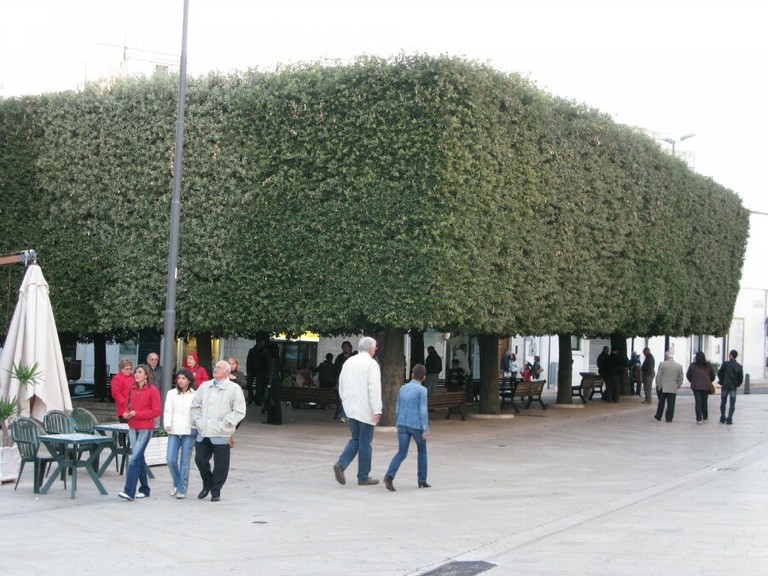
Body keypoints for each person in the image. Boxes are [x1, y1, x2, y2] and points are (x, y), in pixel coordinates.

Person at [191, 360, 246, 502]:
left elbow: (240, 411)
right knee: (200, 459)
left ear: (227, 372)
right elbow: (194, 406)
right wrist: (198, 421)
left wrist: (226, 422)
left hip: (221, 432)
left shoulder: (234, 389)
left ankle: (216, 490)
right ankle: (208, 482)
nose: (215, 369)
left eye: (219, 368)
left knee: (221, 465)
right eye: (215, 367)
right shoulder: (205, 386)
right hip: (204, 431)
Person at [333, 336, 382, 486]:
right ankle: (363, 476)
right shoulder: (371, 364)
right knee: (365, 442)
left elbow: (341, 384)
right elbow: (374, 388)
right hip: (365, 409)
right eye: (374, 347)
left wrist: (345, 401)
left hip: (351, 408)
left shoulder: (349, 362)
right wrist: (377, 409)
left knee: (356, 439)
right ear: (370, 348)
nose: (375, 350)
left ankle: (341, 464)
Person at [118, 364, 161, 501]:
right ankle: (145, 489)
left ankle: (129, 491)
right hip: (132, 427)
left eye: (140, 372)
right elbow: (128, 405)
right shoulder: (132, 389)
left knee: (134, 458)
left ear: (146, 375)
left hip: (145, 428)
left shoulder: (153, 390)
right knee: (139, 457)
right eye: (136, 372)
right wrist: (126, 413)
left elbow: (156, 411)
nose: (136, 374)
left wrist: (137, 413)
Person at [384, 364, 430, 491]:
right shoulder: (422, 390)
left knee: (401, 452)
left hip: (403, 424)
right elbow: (423, 410)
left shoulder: (403, 388)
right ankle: (422, 480)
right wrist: (425, 429)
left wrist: (398, 422)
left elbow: (398, 407)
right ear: (424, 377)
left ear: (412, 375)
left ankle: (389, 476)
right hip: (416, 425)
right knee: (422, 450)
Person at [164, 368, 196, 498]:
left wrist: (195, 426)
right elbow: (168, 410)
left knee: (184, 462)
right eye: (179, 378)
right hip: (174, 430)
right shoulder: (171, 393)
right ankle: (177, 482)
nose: (181, 381)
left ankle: (182, 488)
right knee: (170, 459)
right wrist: (167, 423)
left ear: (189, 380)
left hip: (189, 430)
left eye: (183, 378)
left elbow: (197, 412)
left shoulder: (195, 394)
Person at [687, 351, 716, 424]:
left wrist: (693, 381)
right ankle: (705, 417)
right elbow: (713, 376)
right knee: (704, 402)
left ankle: (699, 418)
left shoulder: (692, 365)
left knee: (698, 402)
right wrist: (708, 381)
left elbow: (688, 375)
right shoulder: (708, 365)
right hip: (705, 386)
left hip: (696, 387)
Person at [654, 352, 683, 422]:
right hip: (673, 387)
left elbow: (658, 375)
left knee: (661, 403)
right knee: (671, 404)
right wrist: (678, 385)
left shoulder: (662, 364)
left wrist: (658, 384)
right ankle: (669, 418)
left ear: (666, 357)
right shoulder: (679, 366)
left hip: (663, 386)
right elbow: (681, 377)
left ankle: (658, 416)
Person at [718, 349, 743, 425]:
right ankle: (729, 418)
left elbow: (720, 373)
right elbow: (740, 378)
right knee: (732, 403)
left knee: (723, 402)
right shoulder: (739, 366)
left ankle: (723, 417)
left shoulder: (725, 364)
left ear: (731, 355)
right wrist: (737, 384)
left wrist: (721, 381)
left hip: (725, 385)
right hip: (733, 386)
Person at [334, 340, 356, 423]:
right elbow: (335, 369)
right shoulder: (339, 357)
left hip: (351, 381)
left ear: (350, 348)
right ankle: (344, 415)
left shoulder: (354, 357)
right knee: (343, 398)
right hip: (342, 380)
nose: (345, 349)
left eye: (347, 347)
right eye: (344, 347)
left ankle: (344, 415)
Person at [246, 337, 270, 405]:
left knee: (259, 386)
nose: (263, 344)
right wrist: (248, 371)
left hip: (261, 371)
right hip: (253, 370)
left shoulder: (265, 351)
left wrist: (266, 372)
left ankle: (257, 399)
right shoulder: (252, 350)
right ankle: (251, 398)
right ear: (258, 343)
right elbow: (248, 361)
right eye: (262, 343)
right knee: (249, 385)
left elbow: (266, 362)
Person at [111, 359, 135, 423]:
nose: (129, 371)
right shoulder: (117, 378)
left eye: (130, 369)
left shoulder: (133, 376)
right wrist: (125, 404)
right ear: (121, 369)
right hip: (123, 408)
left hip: (134, 407)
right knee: (125, 426)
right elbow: (116, 393)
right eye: (127, 369)